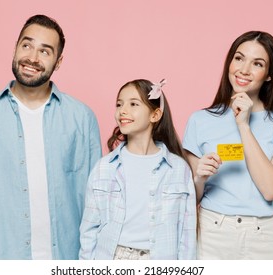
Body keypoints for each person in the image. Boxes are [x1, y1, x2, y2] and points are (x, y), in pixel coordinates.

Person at [0, 14, 102, 260]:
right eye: (27, 45)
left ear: (58, 62)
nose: (32, 57)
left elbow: (97, 205)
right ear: (15, 48)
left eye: (45, 51)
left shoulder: (81, 119)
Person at [182, 31, 273, 259]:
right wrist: (199, 178)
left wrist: (243, 125)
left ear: (269, 75)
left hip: (264, 236)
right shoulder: (200, 120)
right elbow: (191, 198)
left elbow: (271, 189)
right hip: (212, 233)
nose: (244, 70)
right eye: (239, 58)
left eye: (257, 63)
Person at [79, 79, 196, 260]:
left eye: (133, 104)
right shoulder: (104, 167)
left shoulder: (178, 169)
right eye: (119, 104)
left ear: (155, 115)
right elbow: (89, 230)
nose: (122, 111)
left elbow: (186, 233)